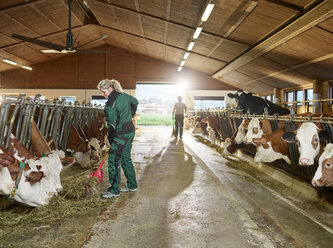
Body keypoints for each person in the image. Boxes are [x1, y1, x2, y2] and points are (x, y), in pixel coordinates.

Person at [97, 79, 138, 199]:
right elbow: (135, 102)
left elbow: (112, 125)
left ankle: (114, 190)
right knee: (125, 157)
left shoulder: (110, 104)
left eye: (104, 92)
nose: (103, 95)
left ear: (111, 89)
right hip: (130, 130)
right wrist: (130, 115)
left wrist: (110, 139)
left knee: (113, 160)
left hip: (121, 134)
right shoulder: (124, 96)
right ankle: (132, 185)